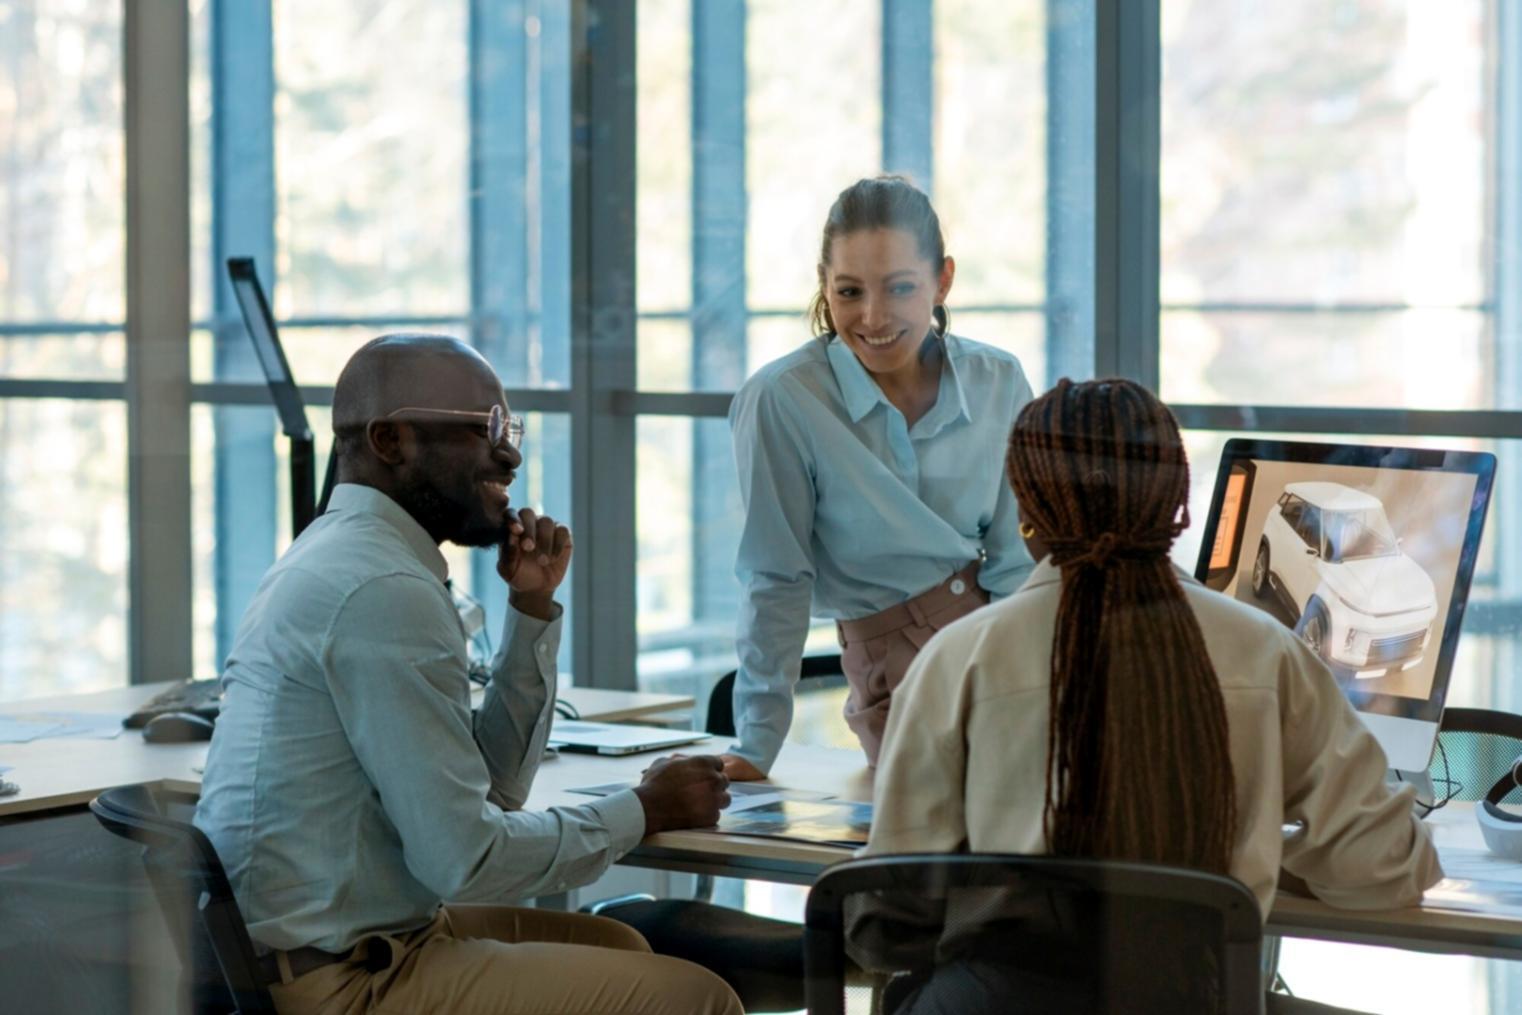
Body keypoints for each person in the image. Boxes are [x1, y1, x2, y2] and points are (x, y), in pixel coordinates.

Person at [194, 334, 742, 1015]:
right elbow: (467, 861)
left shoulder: (344, 555)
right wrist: (644, 808)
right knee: (699, 999)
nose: (510, 453)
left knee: (622, 946)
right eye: (485, 428)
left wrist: (531, 609)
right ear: (390, 440)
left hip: (338, 946)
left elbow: (495, 792)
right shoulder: (383, 588)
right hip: (340, 981)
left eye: (510, 428)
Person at [863, 378, 1441, 1014]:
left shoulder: (959, 657)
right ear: (1175, 502)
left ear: (1028, 515)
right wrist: (1259, 843)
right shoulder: (1268, 652)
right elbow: (1385, 871)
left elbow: (884, 920)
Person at [725, 175, 1036, 779]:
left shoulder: (998, 379)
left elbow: (1015, 562)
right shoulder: (783, 399)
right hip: (891, 667)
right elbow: (776, 577)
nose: (872, 317)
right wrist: (756, 745)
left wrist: (1030, 687)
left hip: (1002, 643)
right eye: (849, 291)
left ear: (942, 280)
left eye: (900, 287)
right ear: (824, 284)